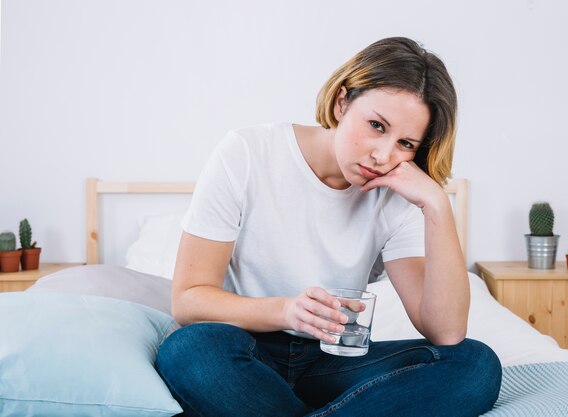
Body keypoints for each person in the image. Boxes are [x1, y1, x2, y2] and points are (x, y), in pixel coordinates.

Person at [156, 37, 502, 417]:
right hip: (243, 348)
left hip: (334, 359)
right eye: (376, 125)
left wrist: (437, 205)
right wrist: (288, 311)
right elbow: (188, 299)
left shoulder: (398, 194)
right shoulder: (247, 153)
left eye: (405, 143)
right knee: (188, 350)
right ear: (341, 102)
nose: (383, 155)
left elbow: (446, 332)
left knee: (474, 365)